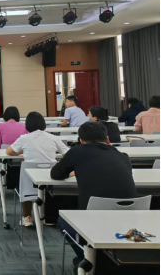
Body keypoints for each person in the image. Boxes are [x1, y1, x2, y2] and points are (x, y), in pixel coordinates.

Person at [51, 122, 138, 264]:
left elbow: (56, 174)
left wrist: (74, 171)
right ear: (107, 139)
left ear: (81, 141)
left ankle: (87, 260)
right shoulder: (123, 156)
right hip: (129, 220)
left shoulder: (76, 151)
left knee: (63, 220)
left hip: (93, 219)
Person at [7, 112, 69, 227]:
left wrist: (22, 151)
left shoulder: (24, 138)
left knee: (26, 183)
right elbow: (68, 154)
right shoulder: (53, 137)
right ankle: (48, 216)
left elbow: (9, 152)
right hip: (50, 177)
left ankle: (27, 217)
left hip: (29, 180)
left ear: (27, 125)